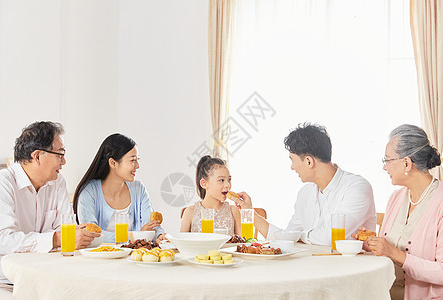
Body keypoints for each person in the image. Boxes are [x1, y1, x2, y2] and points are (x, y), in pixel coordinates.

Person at [0, 121, 99, 290]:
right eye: (60, 154)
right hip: (6, 281)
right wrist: (56, 238)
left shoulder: (57, 183)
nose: (63, 162)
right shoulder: (1, 184)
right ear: (37, 156)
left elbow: (64, 230)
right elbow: (3, 242)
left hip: (47, 275)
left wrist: (73, 234)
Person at [231, 122, 376, 245]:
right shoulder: (305, 193)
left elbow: (329, 237)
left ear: (308, 161)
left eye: (292, 160)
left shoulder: (357, 188)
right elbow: (287, 238)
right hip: (313, 267)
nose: (292, 167)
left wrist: (299, 236)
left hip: (349, 270)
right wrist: (249, 212)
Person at [355, 124, 443, 300]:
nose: (384, 167)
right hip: (385, 293)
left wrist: (395, 253)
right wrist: (372, 243)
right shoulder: (396, 197)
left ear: (406, 163)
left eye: (387, 160)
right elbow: (390, 248)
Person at [73, 133, 165, 243]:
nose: (137, 166)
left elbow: (150, 226)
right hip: (100, 257)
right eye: (132, 160)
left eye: (137, 159)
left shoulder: (138, 189)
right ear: (113, 163)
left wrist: (159, 235)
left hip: (131, 257)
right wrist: (135, 236)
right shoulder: (89, 191)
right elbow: (89, 234)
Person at [180, 155, 241, 235]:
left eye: (229, 180)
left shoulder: (233, 211)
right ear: (204, 183)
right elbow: (181, 243)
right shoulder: (190, 212)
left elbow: (243, 243)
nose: (227, 185)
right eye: (221, 180)